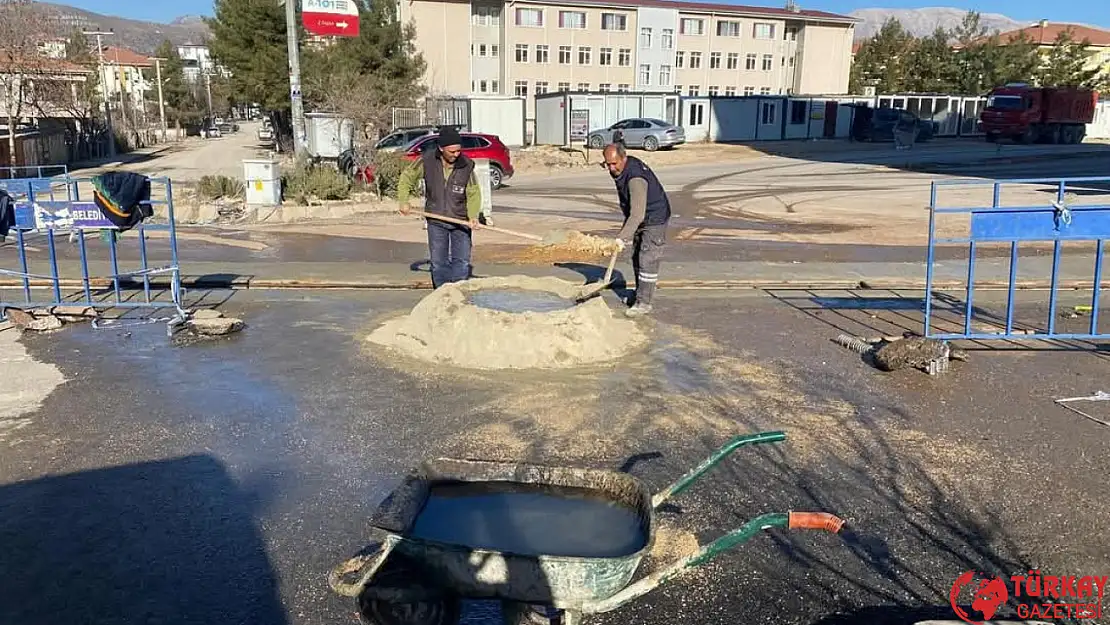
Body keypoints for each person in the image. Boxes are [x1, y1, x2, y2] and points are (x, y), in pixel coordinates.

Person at [397, 127, 482, 288]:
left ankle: (459, 294)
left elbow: (473, 193)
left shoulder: (466, 165)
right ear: (441, 148)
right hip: (436, 218)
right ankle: (441, 296)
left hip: (461, 221)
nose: (456, 154)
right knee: (438, 262)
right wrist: (404, 201)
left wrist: (473, 216)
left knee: (461, 261)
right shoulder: (427, 161)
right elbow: (407, 178)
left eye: (458, 150)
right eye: (452, 151)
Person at [602, 142, 671, 317]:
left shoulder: (635, 178)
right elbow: (633, 210)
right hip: (641, 216)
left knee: (647, 259)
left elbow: (637, 214)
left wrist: (621, 237)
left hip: (654, 218)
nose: (611, 168)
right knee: (636, 256)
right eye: (607, 164)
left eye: (614, 163)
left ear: (623, 158)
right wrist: (626, 232)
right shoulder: (623, 169)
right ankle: (639, 294)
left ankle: (644, 303)